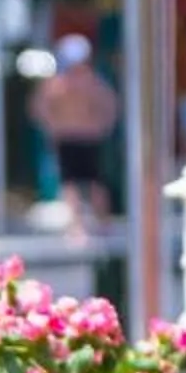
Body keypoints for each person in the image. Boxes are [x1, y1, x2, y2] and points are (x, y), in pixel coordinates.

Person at [31, 32, 121, 234]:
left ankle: (88, 225)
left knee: (84, 182)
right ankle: (87, 225)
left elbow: (40, 109)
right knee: (82, 182)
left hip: (76, 137)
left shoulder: (61, 84)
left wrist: (54, 126)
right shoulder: (88, 83)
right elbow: (110, 107)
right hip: (80, 137)